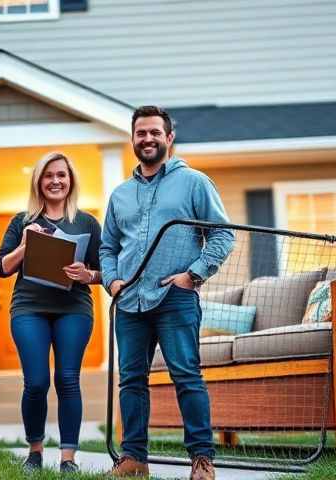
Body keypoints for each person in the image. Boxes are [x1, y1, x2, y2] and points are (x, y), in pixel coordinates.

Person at [100, 106, 234, 479]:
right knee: (131, 381)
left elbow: (222, 234)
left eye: (154, 133)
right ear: (132, 140)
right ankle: (133, 460)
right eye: (140, 133)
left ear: (169, 138)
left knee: (186, 376)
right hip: (129, 302)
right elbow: (107, 248)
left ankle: (202, 461)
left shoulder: (193, 182)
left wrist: (194, 274)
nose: (147, 139)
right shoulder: (121, 195)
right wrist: (111, 280)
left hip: (175, 298)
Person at [0, 151, 103, 474]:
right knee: (37, 382)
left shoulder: (87, 223)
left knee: (68, 379)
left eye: (62, 175)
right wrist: (27, 245)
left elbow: (105, 271)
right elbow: (0, 267)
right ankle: (35, 451)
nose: (56, 181)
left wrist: (89, 275)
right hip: (29, 308)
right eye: (49, 176)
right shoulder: (22, 221)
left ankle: (68, 459)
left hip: (74, 308)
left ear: (70, 181)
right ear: (38, 182)